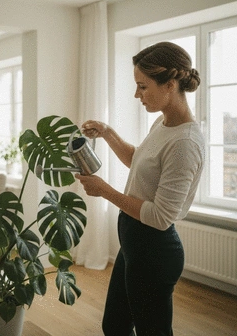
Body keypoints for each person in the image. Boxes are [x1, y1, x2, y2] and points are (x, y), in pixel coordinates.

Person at [75, 41, 205, 336]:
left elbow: (160, 217)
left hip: (154, 250)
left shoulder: (184, 142)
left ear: (170, 84)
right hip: (134, 243)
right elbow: (138, 161)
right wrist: (107, 133)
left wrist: (104, 190)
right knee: (115, 326)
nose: (137, 95)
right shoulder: (163, 124)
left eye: (143, 87)